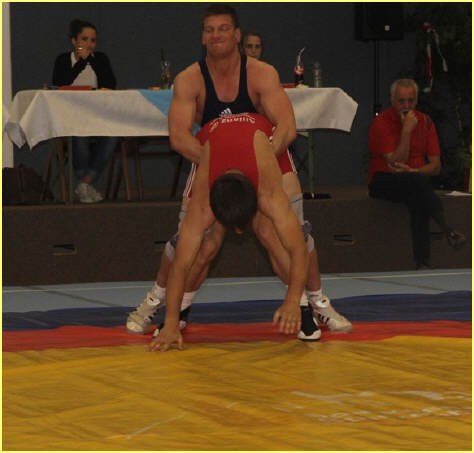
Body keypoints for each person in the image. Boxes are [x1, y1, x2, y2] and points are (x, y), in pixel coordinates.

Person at [126, 4, 351, 341]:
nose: (215, 35)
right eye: (209, 29)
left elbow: (287, 127)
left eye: (222, 29)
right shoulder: (190, 79)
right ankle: (163, 305)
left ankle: (313, 304)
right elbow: (179, 137)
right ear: (202, 37)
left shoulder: (261, 73)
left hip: (266, 156)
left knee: (288, 236)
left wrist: (262, 161)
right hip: (212, 159)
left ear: (236, 36)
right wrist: (214, 163)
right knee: (195, 243)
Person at [149, 113, 308, 351]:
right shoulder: (202, 202)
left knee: (271, 234)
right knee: (205, 247)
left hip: (260, 133)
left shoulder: (268, 191)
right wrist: (170, 323)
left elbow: (299, 250)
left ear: (258, 203)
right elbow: (180, 265)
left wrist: (293, 301)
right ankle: (177, 313)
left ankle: (307, 305)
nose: (239, 234)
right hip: (211, 136)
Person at [368, 78, 466, 269]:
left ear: (416, 100)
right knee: (417, 185)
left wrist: (415, 171)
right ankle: (446, 229)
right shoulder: (381, 122)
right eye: (401, 101)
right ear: (392, 100)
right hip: (384, 179)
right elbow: (396, 162)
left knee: (418, 194)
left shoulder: (425, 121)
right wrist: (406, 131)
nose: (406, 106)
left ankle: (422, 262)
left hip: (415, 180)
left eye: (411, 101)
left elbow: (435, 166)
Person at [52, 19, 118, 203]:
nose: (89, 44)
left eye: (93, 40)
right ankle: (85, 184)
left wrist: (91, 60)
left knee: (113, 135)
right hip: (71, 115)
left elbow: (110, 85)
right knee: (80, 134)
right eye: (84, 39)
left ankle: (84, 183)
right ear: (74, 40)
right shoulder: (63, 60)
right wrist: (81, 62)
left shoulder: (100, 59)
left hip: (97, 115)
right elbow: (60, 83)